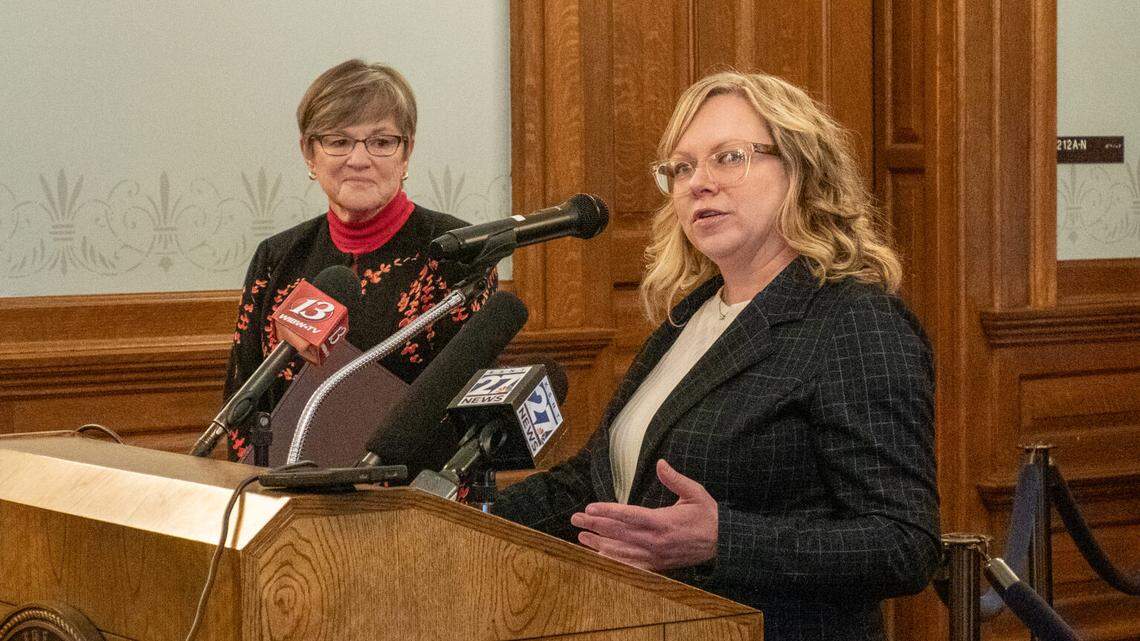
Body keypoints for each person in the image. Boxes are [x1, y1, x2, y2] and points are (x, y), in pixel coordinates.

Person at [492, 70, 940, 641]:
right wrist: (464, 520)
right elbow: (594, 483)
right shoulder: (691, 317)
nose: (698, 183)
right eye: (681, 168)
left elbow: (904, 543)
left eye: (729, 157)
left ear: (800, 169)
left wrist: (721, 539)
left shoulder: (855, 321)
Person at [223, 60, 495, 461]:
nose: (359, 159)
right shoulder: (277, 257)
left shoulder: (459, 253)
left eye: (382, 142)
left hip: (404, 499)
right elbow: (243, 401)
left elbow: (460, 416)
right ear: (309, 154)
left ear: (407, 154)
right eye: (338, 141)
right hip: (282, 495)